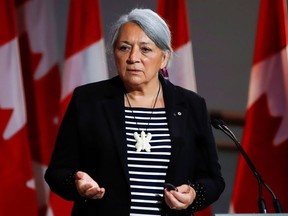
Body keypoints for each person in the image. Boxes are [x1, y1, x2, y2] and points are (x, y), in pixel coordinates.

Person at [45, 8, 225, 216]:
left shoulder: (191, 106)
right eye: (124, 47)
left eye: (145, 49)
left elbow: (213, 179)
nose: (133, 58)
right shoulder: (88, 101)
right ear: (114, 53)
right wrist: (77, 185)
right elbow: (57, 172)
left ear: (164, 58)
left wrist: (194, 194)